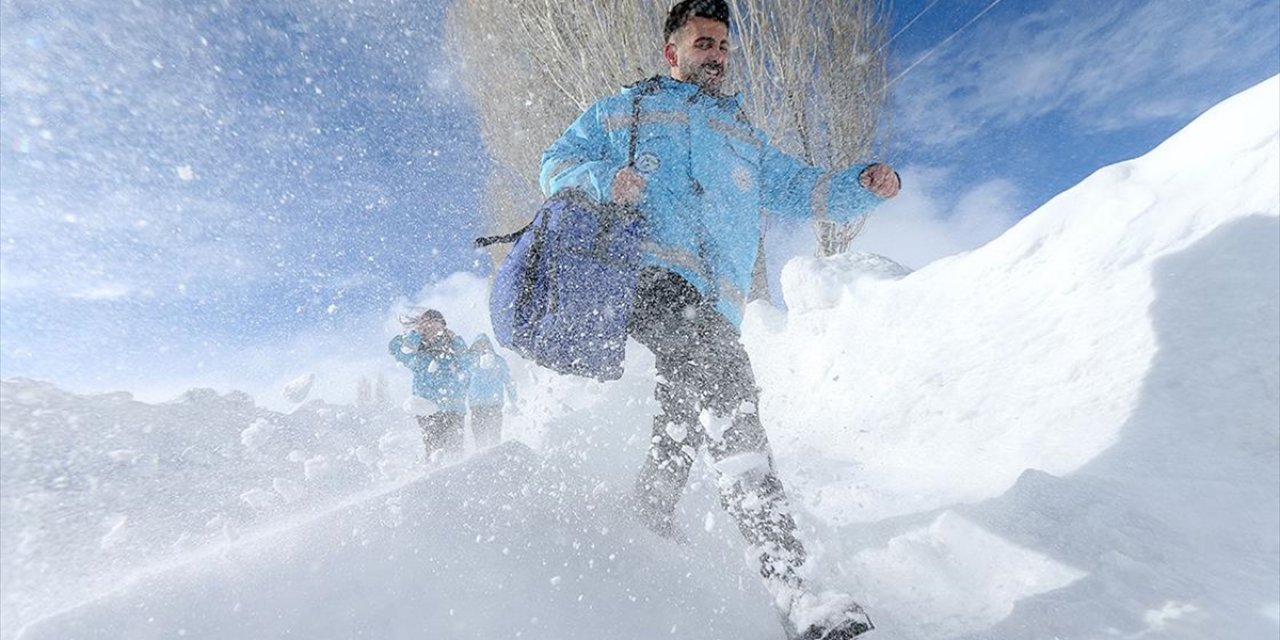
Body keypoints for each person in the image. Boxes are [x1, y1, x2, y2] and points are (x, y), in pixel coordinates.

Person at [539, 1, 900, 638]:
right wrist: (605, 178)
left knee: (681, 416)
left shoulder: (742, 137)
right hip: (645, 279)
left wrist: (862, 184)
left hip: (714, 304)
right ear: (672, 53)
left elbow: (806, 189)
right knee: (728, 390)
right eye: (703, 42)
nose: (716, 54)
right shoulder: (626, 109)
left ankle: (645, 525)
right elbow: (555, 165)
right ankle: (793, 586)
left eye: (723, 45)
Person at [388, 309, 469, 464]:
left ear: (443, 326)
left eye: (435, 324)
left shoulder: (453, 346)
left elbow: (468, 363)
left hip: (454, 407)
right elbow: (399, 351)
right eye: (427, 325)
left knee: (455, 451)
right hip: (427, 408)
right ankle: (431, 478)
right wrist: (415, 333)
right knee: (433, 449)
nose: (431, 328)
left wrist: (456, 339)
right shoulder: (418, 349)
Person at [464, 334, 518, 449]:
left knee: (494, 436)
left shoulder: (498, 361)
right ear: (475, 346)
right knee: (479, 438)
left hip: (494, 405)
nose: (483, 347)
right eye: (479, 344)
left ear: (490, 345)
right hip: (476, 406)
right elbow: (464, 382)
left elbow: (508, 380)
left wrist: (513, 398)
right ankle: (481, 459)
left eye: (485, 343)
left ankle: (495, 458)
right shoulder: (471, 362)